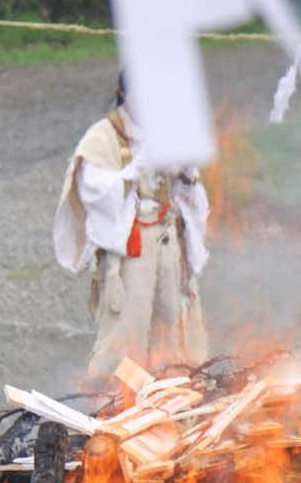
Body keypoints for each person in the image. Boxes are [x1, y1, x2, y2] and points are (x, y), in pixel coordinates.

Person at [53, 72, 210, 380]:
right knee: (127, 327)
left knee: (174, 323)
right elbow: (94, 192)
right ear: (123, 92)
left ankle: (178, 398)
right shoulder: (104, 136)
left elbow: (191, 199)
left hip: (167, 238)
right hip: (131, 244)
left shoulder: (167, 132)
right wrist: (131, 173)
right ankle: (112, 404)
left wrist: (188, 175)